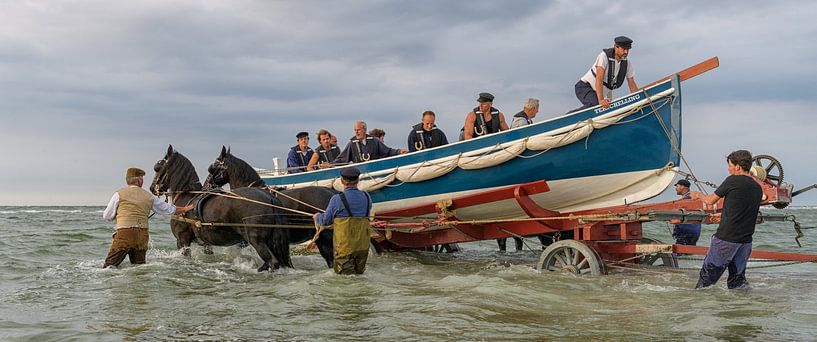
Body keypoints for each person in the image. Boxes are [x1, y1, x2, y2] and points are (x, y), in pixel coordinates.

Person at [689, 150, 762, 289]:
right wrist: (723, 216)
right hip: (745, 242)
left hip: (726, 239)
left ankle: (698, 308)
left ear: (738, 167)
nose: (728, 169)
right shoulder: (757, 187)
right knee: (738, 282)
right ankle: (742, 307)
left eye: (730, 165)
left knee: (706, 281)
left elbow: (710, 201)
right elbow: (744, 210)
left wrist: (697, 195)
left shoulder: (733, 180)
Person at [102, 167, 193, 268]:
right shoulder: (149, 196)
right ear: (140, 180)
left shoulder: (118, 194)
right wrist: (186, 209)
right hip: (142, 236)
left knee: (109, 267)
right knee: (139, 268)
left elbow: (107, 216)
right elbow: (168, 209)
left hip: (125, 235)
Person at [313, 167, 373, 274]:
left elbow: (325, 221)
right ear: (358, 180)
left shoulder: (337, 199)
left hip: (345, 248)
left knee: (345, 280)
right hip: (362, 247)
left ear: (342, 181)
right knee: (359, 276)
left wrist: (317, 217)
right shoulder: (367, 197)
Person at [574, 36, 639, 110]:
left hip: (597, 94)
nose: (626, 52)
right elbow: (599, 78)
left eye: (627, 49)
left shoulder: (627, 64)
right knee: (596, 106)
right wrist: (601, 100)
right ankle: (567, 119)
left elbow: (631, 83)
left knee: (602, 107)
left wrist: (639, 98)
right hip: (584, 87)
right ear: (616, 47)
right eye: (624, 49)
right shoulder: (604, 56)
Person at [334, 120, 407, 164]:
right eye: (355, 130)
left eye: (358, 130)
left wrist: (399, 151)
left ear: (364, 129)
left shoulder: (374, 141)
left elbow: (387, 151)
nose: (356, 132)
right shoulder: (352, 144)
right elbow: (342, 159)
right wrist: (331, 164)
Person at [673, 179, 702, 246]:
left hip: (686, 231)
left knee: (681, 253)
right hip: (695, 231)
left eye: (677, 186)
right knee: (688, 253)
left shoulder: (687, 199)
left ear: (683, 187)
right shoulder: (693, 198)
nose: (675, 188)